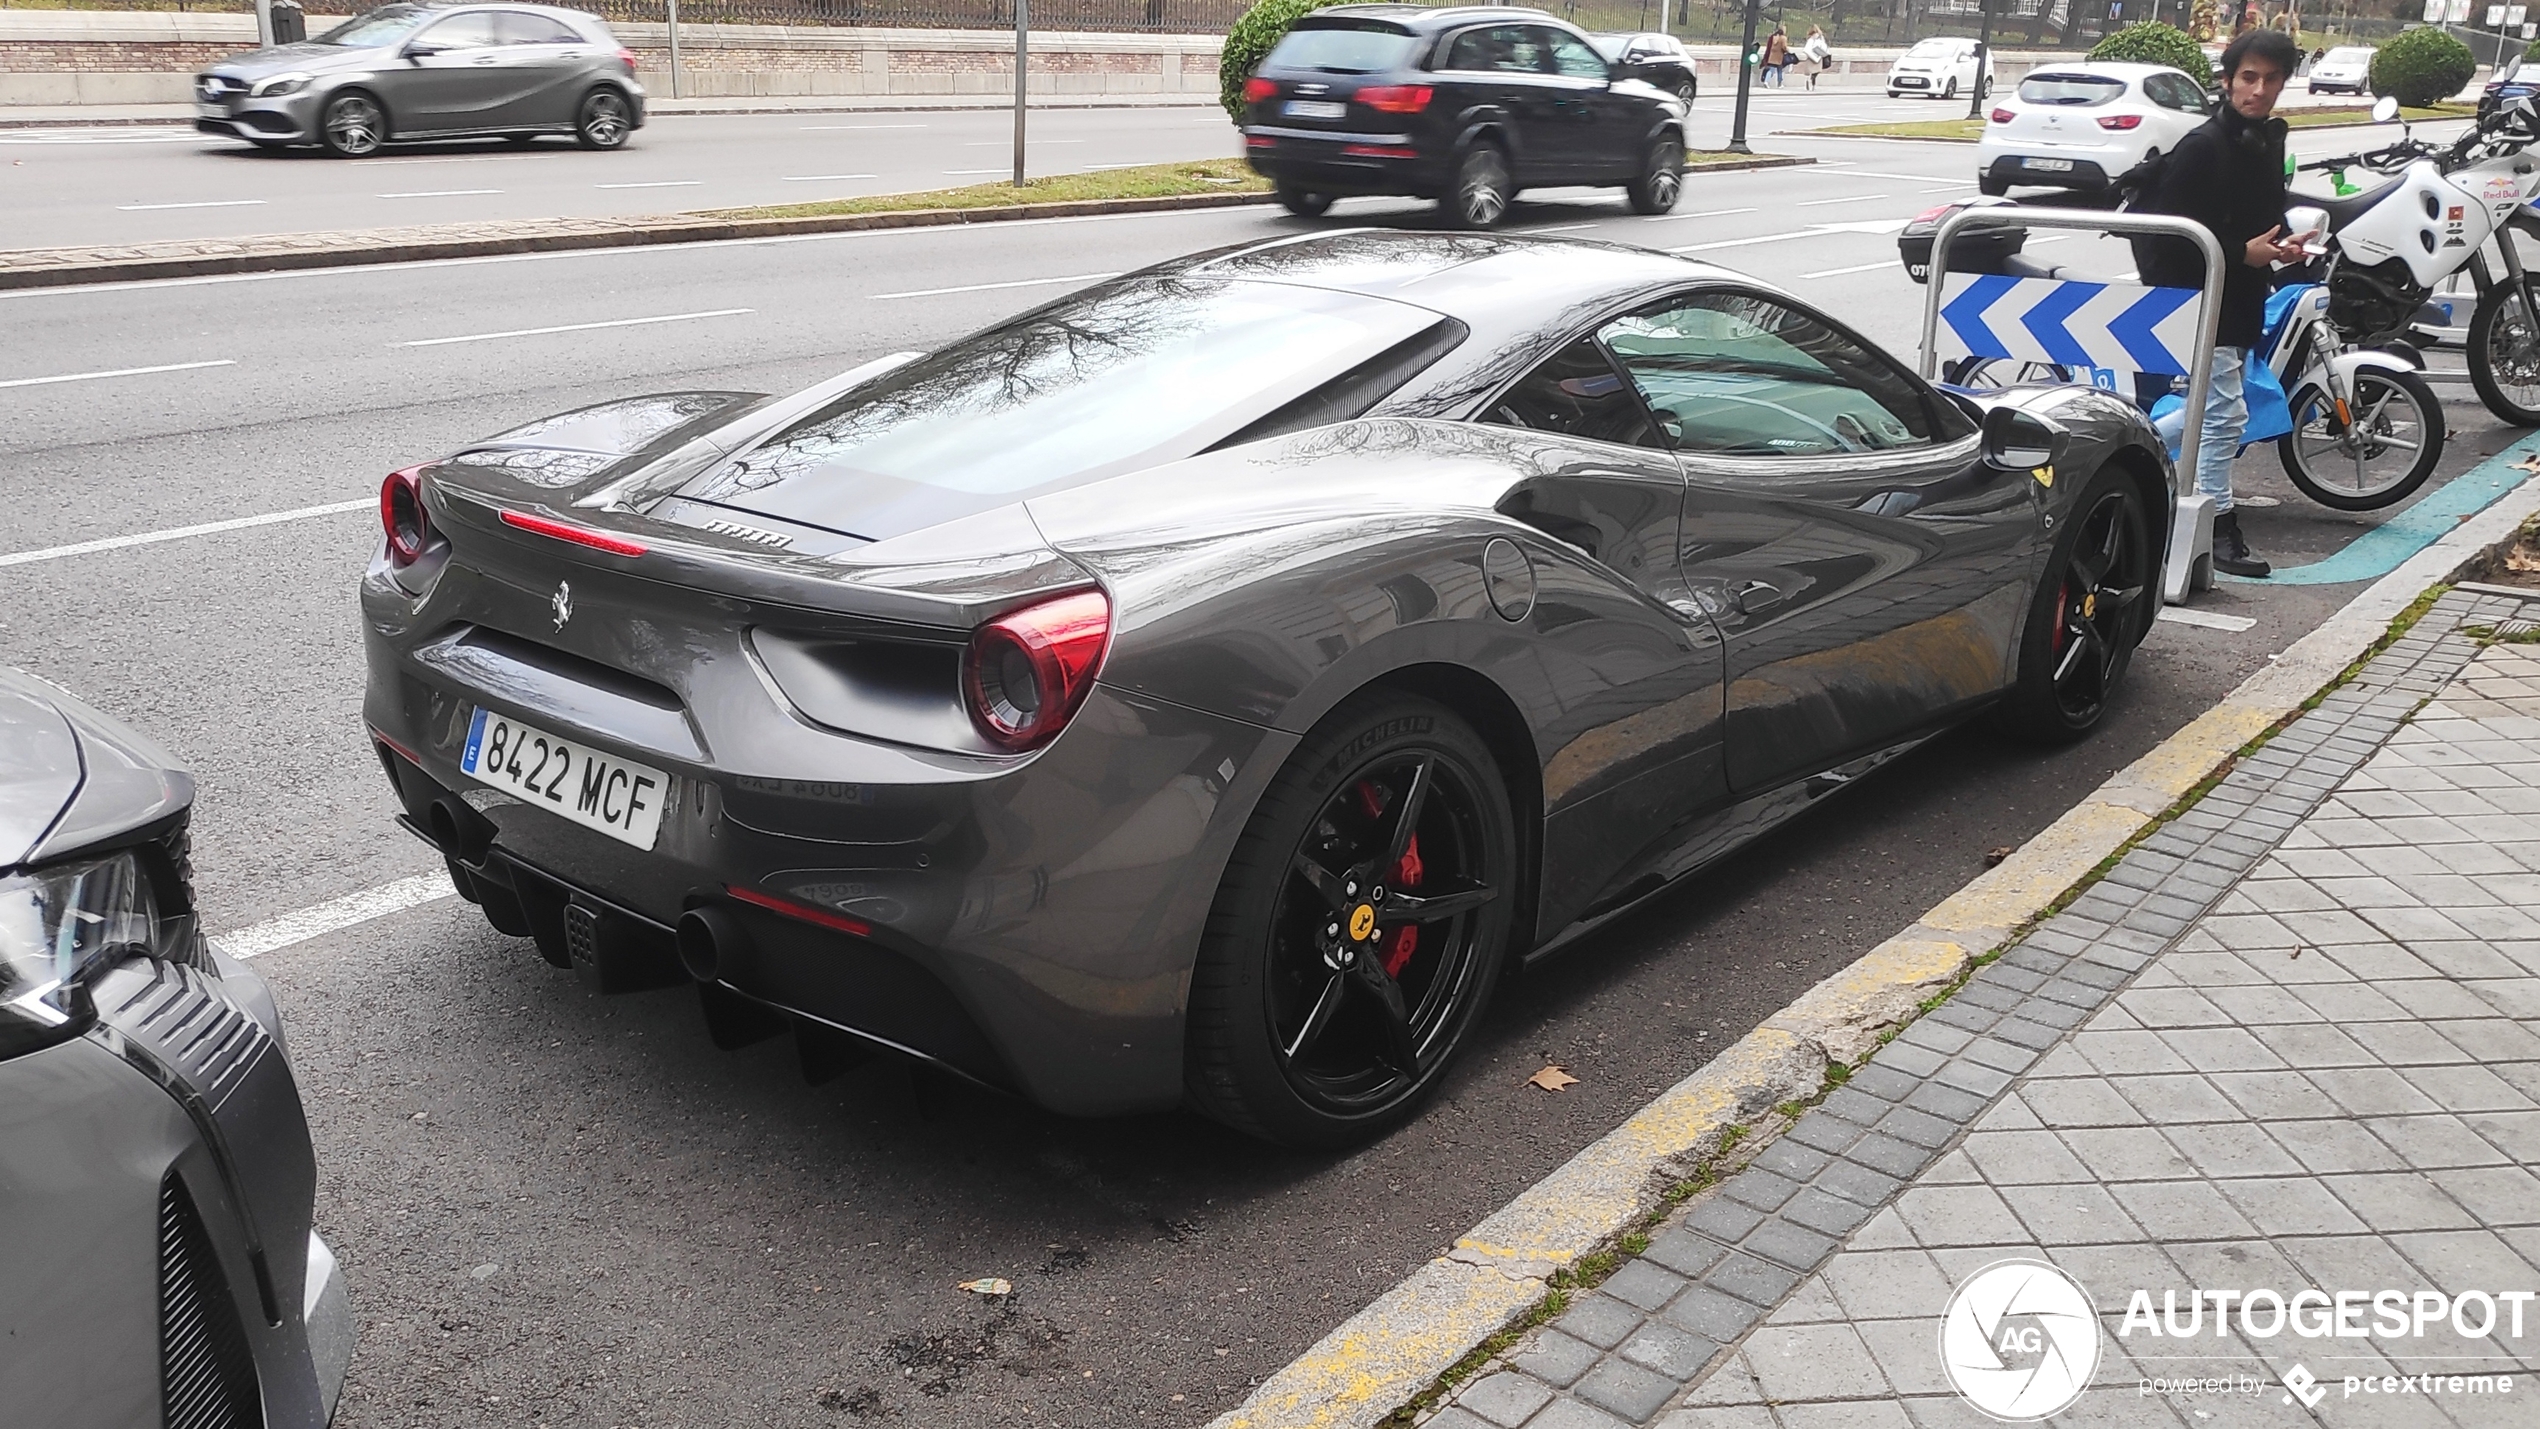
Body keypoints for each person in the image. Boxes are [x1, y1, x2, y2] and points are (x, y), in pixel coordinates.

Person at [2131, 26, 2305, 579]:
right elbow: (2169, 239)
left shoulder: (2265, 141)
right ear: (2227, 81)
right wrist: (2240, 253)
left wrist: (2279, 249)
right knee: (2225, 411)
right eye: (2248, 78)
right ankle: (2217, 526)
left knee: (2211, 408)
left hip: (2240, 294)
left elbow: (2256, 219)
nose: (2258, 90)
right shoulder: (2204, 146)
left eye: (2270, 79)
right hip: (2197, 297)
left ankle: (2126, 452)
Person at [1803, 25, 1832, 89]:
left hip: (1810, 58)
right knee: (1816, 71)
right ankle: (1813, 84)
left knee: (1811, 71)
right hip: (1818, 56)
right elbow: (1824, 47)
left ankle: (1809, 80)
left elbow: (1807, 49)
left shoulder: (1810, 39)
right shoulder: (1820, 38)